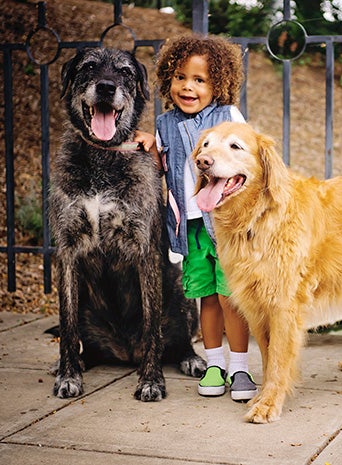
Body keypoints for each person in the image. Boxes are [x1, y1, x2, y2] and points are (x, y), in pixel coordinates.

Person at [136, 33, 257, 402]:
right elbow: (167, 169)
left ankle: (240, 368)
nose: (188, 87)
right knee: (205, 297)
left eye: (200, 80)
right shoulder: (165, 122)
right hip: (188, 226)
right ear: (168, 79)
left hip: (226, 225)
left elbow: (246, 161)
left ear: (217, 84)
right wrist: (153, 147)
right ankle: (215, 364)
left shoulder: (227, 117)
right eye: (180, 78)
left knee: (231, 296)